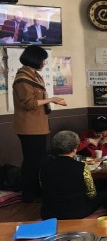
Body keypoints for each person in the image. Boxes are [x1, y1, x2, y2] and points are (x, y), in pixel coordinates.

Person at [12, 45, 66, 202]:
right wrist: (52, 99)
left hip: (39, 125)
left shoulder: (35, 76)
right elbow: (29, 103)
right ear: (34, 59)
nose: (44, 63)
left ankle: (36, 191)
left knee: (38, 161)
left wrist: (52, 100)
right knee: (32, 162)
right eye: (43, 60)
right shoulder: (23, 78)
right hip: (29, 127)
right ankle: (29, 195)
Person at [40, 131, 107, 219]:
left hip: (49, 213)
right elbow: (92, 194)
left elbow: (42, 187)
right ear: (74, 149)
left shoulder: (44, 166)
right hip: (77, 212)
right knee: (106, 194)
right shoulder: (81, 167)